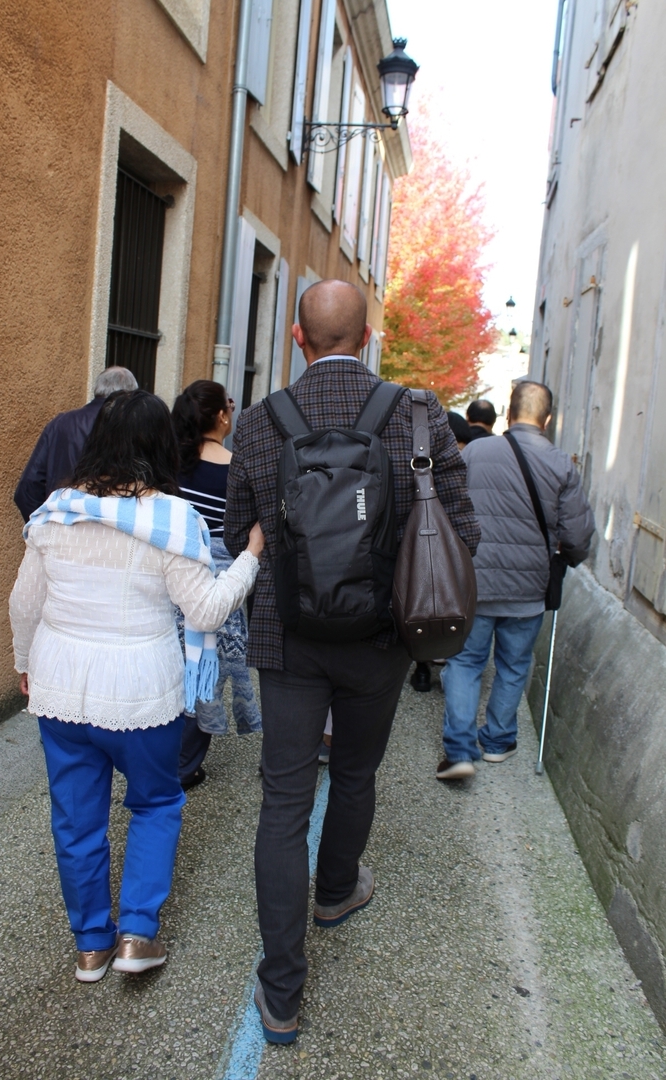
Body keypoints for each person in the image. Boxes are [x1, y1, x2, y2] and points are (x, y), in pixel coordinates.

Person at [223, 279, 479, 1043]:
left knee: (282, 801)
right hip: (381, 639)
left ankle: (282, 995)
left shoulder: (262, 422)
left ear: (297, 340)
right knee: (358, 773)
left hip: (288, 640)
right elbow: (460, 526)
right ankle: (336, 891)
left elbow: (242, 532)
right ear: (367, 337)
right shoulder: (419, 412)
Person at [9, 390, 264, 982]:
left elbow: (25, 601)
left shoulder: (55, 511)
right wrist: (249, 558)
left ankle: (91, 945)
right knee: (155, 803)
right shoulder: (174, 520)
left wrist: (25, 662)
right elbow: (204, 612)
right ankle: (136, 937)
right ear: (158, 447)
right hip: (143, 692)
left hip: (61, 686)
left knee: (76, 819)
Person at [437, 381, 595, 780]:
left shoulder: (475, 450)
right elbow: (577, 537)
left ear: (509, 414)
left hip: (475, 581)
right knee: (513, 665)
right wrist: (568, 558)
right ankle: (497, 741)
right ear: (548, 419)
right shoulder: (561, 464)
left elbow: (449, 504)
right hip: (528, 588)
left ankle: (458, 749)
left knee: (465, 662)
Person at [171, 380, 261, 792]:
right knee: (205, 678)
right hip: (218, 588)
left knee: (170, 673)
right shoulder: (237, 467)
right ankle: (185, 766)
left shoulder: (168, 465)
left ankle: (160, 759)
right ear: (222, 416)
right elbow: (246, 536)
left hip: (169, 584)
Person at [14, 366, 138, 521]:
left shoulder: (59, 424)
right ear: (130, 396)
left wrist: (43, 526)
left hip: (59, 530)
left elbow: (27, 489)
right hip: (109, 534)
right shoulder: (133, 428)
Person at [410, 409, 473, 695]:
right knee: (439, 601)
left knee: (423, 601)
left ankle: (422, 668)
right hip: (447, 541)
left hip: (421, 536)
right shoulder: (455, 464)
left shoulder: (421, 462)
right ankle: (428, 662)